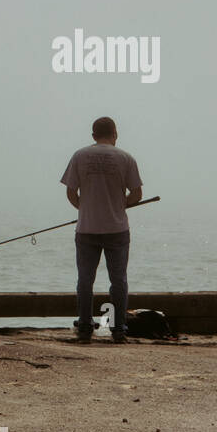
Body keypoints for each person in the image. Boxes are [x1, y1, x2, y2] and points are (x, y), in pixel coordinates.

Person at [60, 117, 143, 343]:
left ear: (93, 135)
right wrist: (119, 204)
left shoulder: (79, 156)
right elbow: (136, 194)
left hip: (86, 228)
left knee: (85, 279)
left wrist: (85, 208)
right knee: (118, 280)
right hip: (117, 229)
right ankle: (118, 330)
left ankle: (85, 327)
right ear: (115, 134)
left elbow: (70, 192)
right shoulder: (126, 158)